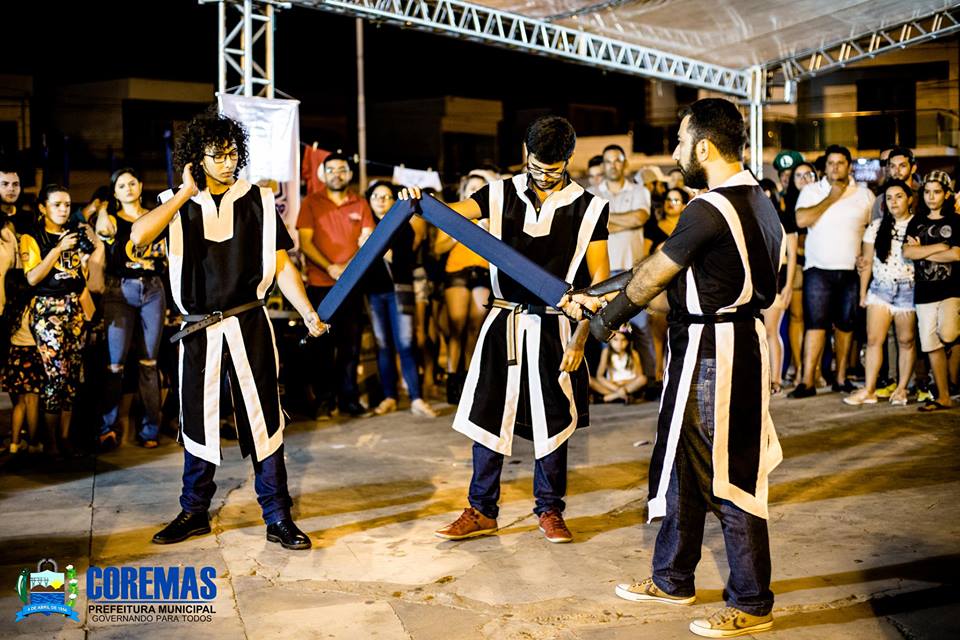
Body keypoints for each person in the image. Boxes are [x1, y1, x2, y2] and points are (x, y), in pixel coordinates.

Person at [566, 98, 784, 637]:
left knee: (728, 475)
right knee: (686, 464)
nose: (676, 150)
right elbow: (676, 283)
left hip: (719, 353)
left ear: (704, 147)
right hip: (717, 342)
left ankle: (752, 602)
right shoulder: (757, 199)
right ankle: (672, 577)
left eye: (682, 141)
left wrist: (602, 320)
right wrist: (599, 296)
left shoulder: (709, 208)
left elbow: (651, 279)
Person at [403, 116, 610, 544]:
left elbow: (600, 282)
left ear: (568, 160)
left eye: (553, 169)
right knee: (488, 414)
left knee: (554, 419)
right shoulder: (498, 193)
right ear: (525, 153)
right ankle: (481, 509)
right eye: (537, 166)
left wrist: (581, 336)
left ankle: (550, 509)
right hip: (503, 321)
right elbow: (450, 215)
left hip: (557, 326)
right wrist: (419, 200)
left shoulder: (590, 207)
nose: (543, 176)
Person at [135, 109, 325, 550]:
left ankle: (277, 515)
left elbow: (280, 264)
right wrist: (185, 193)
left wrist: (308, 312)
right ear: (197, 157)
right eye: (217, 155)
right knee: (197, 420)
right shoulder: (175, 201)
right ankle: (193, 511)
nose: (227, 161)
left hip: (249, 321)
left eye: (233, 153)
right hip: (198, 329)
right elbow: (139, 237)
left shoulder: (259, 200)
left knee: (264, 418)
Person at [21, 184, 105, 458]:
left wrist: (86, 253)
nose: (63, 210)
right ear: (42, 207)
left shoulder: (73, 233)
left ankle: (66, 438)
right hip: (48, 308)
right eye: (57, 204)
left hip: (75, 307)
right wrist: (58, 249)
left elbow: (80, 275)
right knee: (55, 375)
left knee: (72, 377)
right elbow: (32, 278)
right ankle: (50, 442)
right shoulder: (33, 236)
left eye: (67, 205)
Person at [790, 145, 875, 398]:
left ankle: (841, 378)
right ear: (825, 166)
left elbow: (872, 231)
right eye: (831, 163)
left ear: (849, 166)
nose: (835, 167)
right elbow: (801, 220)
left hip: (850, 270)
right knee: (815, 324)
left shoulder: (865, 195)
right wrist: (831, 197)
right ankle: (807, 382)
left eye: (840, 163)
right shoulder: (811, 191)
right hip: (818, 269)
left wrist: (866, 258)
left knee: (845, 325)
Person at [296, 151, 374, 419]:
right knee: (322, 347)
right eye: (331, 170)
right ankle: (324, 401)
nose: (336, 175)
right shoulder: (311, 202)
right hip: (320, 285)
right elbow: (305, 243)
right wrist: (330, 267)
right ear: (323, 174)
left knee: (351, 345)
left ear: (349, 174)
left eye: (342, 170)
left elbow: (368, 241)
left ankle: (349, 399)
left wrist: (347, 269)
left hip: (351, 286)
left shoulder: (360, 203)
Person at [94, 168, 168, 449]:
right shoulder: (112, 219)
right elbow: (103, 231)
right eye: (121, 186)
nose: (128, 188)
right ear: (115, 192)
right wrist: (104, 207)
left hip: (152, 289)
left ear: (141, 185)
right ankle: (108, 428)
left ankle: (150, 430)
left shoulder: (154, 216)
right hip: (120, 291)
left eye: (132, 183)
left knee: (149, 362)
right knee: (115, 363)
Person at [362, 181, 436, 418]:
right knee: (383, 345)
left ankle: (416, 397)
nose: (380, 200)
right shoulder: (364, 226)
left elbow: (403, 261)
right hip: (374, 292)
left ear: (394, 201)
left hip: (399, 291)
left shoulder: (403, 227)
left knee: (406, 343)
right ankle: (390, 397)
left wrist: (374, 245)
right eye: (376, 196)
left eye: (386, 196)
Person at [844, 180, 916, 406]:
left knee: (906, 341)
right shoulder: (876, 226)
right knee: (874, 340)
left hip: (908, 290)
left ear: (910, 199)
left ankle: (902, 389)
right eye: (889, 198)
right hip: (880, 290)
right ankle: (869, 390)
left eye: (899, 197)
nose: (893, 202)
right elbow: (866, 262)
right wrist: (863, 293)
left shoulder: (917, 225)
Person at [903, 170, 960, 411]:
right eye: (927, 192)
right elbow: (908, 252)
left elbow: (956, 254)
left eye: (936, 192)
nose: (931, 197)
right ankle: (943, 396)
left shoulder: (956, 221)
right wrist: (940, 247)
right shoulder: (916, 221)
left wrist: (923, 252)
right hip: (924, 292)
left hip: (951, 290)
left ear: (946, 194)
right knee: (930, 343)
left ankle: (954, 380)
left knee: (948, 334)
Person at [437, 171, 494, 404]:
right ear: (463, 192)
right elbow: (437, 248)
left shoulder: (491, 217)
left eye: (480, 188)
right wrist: (458, 233)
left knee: (475, 326)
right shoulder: (453, 214)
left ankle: (470, 378)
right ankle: (453, 378)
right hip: (457, 271)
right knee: (457, 325)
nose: (475, 191)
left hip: (482, 272)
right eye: (471, 188)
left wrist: (488, 230)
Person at [759, 178, 798, 395]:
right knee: (759, 332)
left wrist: (789, 285)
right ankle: (764, 378)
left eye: (768, 193)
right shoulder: (751, 217)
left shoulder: (784, 219)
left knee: (771, 331)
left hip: (778, 278)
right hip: (756, 279)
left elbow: (792, 256)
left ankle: (776, 378)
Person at [782, 162, 817, 385]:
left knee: (818, 320)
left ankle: (815, 370)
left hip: (822, 265)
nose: (803, 179)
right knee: (797, 317)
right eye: (798, 176)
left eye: (808, 175)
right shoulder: (789, 206)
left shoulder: (824, 200)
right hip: (797, 267)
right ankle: (799, 368)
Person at [589, 328, 647, 402]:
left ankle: (609, 398)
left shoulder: (633, 353)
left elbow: (639, 375)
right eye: (615, 340)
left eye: (623, 340)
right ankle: (621, 395)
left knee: (643, 379)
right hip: (612, 386)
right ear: (610, 340)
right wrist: (617, 388)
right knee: (589, 380)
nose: (619, 344)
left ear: (628, 341)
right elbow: (599, 376)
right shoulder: (606, 352)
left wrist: (624, 383)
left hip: (628, 385)